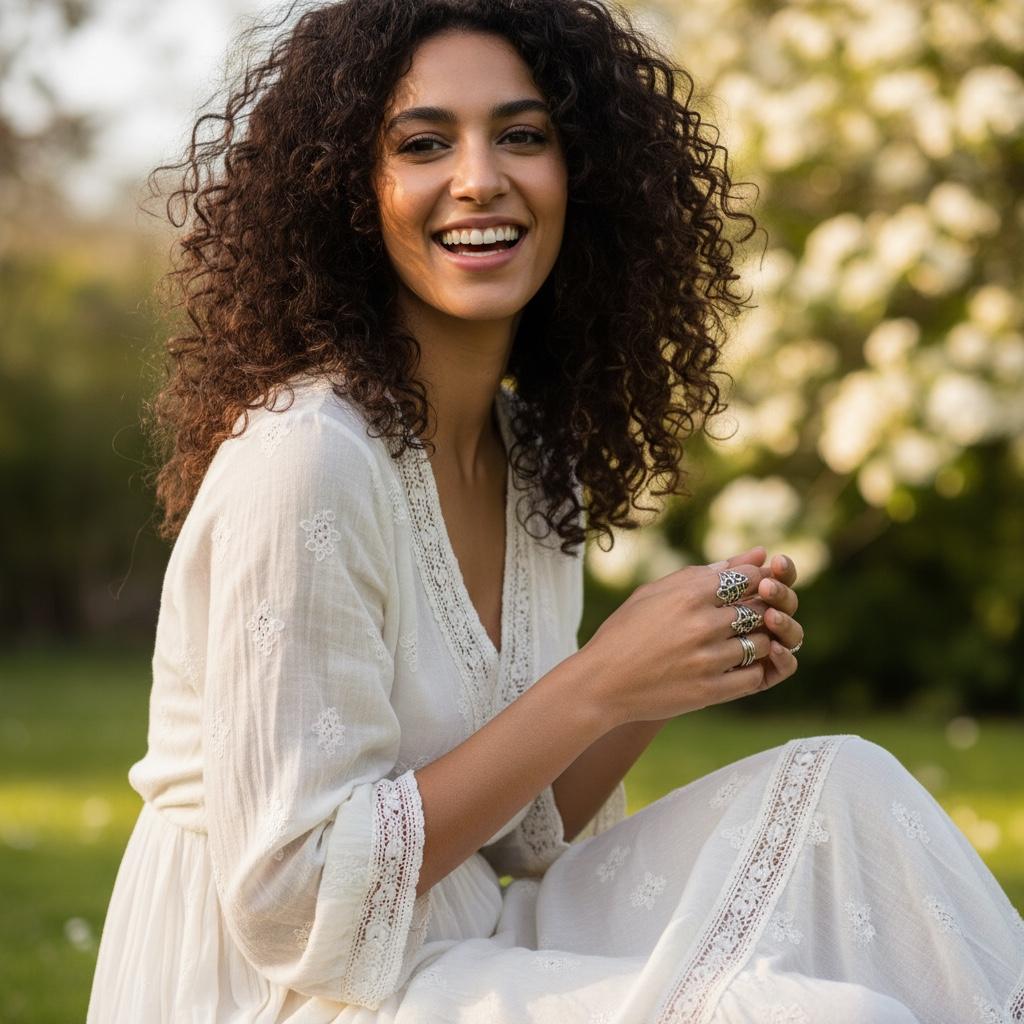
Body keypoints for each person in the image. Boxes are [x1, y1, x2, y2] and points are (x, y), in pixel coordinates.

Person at [87, 0, 1024, 1020]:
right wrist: (598, 679)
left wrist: (655, 683)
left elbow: (521, 837)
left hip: (458, 930)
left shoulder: (534, 460)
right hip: (282, 990)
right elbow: (296, 902)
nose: (479, 178)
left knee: (848, 790)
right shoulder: (307, 457)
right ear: (348, 191)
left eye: (523, 136)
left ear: (585, 175)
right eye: (423, 144)